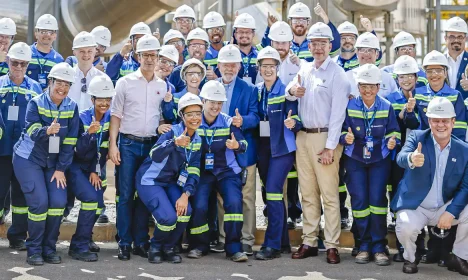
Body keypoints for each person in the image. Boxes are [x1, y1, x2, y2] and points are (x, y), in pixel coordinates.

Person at [286, 22, 350, 264]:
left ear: (330, 45)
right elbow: (288, 92)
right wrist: (293, 91)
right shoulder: (306, 68)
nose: (318, 47)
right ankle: (310, 240)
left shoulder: (338, 74)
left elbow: (338, 115)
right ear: (309, 46)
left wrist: (331, 147)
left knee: (329, 195)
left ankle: (332, 244)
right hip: (303, 137)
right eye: (314, 43)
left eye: (323, 43)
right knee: (308, 193)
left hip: (325, 137)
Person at [393, 96, 468, 276]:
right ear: (429, 121)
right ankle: (411, 257)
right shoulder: (417, 137)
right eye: (436, 120)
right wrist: (411, 158)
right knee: (405, 226)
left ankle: (459, 256)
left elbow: (466, 187)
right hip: (416, 206)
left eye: (445, 121)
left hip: (444, 207)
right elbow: (401, 157)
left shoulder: (463, 150)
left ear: (453, 122)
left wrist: (451, 212)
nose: (440, 125)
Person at [109, 34, 167, 261]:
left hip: (151, 146)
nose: (150, 59)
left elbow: (162, 117)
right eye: (146, 55)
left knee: (144, 195)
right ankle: (124, 242)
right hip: (129, 144)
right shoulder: (125, 82)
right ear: (137, 56)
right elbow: (115, 115)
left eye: (154, 55)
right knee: (124, 195)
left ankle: (141, 242)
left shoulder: (162, 86)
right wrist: (113, 145)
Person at [13, 62, 79, 265]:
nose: (63, 88)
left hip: (53, 163)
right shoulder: (36, 102)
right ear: (50, 82)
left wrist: (60, 169)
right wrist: (46, 131)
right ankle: (34, 250)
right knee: (39, 203)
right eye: (59, 82)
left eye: (67, 84)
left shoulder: (72, 106)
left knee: (58, 202)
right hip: (28, 159)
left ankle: (49, 248)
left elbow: (69, 142)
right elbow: (31, 130)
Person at [340, 64, 400, 266]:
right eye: (363, 86)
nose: (367, 90)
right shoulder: (349, 106)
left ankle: (379, 246)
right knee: (359, 202)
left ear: (378, 86)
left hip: (379, 160)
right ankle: (363, 245)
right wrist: (344, 138)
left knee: (377, 202)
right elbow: (340, 130)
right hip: (355, 158)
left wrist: (393, 140)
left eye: (372, 86)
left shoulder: (386, 106)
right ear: (358, 86)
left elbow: (394, 131)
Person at [136, 92, 202, 264]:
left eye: (197, 113)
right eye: (189, 114)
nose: (194, 118)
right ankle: (155, 247)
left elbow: (194, 169)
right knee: (168, 217)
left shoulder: (198, 139)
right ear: (182, 116)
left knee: (185, 212)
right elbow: (155, 155)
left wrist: (186, 195)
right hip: (149, 181)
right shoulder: (172, 132)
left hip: (170, 182)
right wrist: (174, 143)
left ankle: (169, 247)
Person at [186, 80, 248, 262]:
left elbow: (244, 144)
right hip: (202, 172)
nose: (216, 106)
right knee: (199, 206)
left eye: (219, 103)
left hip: (225, 171)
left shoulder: (229, 122)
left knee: (234, 204)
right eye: (212, 102)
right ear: (203, 101)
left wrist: (237, 145)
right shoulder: (194, 122)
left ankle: (234, 248)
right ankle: (199, 245)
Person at [253, 47, 302, 260]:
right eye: (264, 66)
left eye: (271, 66)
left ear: (277, 68)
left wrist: (294, 123)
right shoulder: (256, 90)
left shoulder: (285, 90)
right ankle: (282, 242)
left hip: (281, 148)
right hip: (263, 148)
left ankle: (271, 245)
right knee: (271, 193)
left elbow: (299, 117)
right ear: (259, 69)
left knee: (273, 191)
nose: (267, 70)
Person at [215, 44, 259, 255]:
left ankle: (247, 239)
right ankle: (224, 238)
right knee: (222, 198)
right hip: (218, 152)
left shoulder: (249, 89)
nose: (229, 68)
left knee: (247, 197)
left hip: (243, 151)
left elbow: (256, 117)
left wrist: (244, 121)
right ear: (218, 65)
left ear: (240, 66)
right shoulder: (211, 87)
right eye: (226, 64)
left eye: (233, 64)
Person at [66, 75, 115, 262]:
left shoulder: (111, 118)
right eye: (101, 99)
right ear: (92, 99)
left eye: (108, 99)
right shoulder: (82, 117)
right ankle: (78, 246)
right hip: (77, 166)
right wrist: (89, 134)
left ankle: (85, 239)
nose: (105, 103)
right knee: (90, 200)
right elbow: (78, 150)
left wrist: (95, 170)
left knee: (99, 204)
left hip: (94, 168)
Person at [0, 42, 42, 250]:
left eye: (23, 64)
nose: (18, 67)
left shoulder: (35, 88)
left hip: (24, 153)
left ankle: (17, 236)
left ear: (28, 65)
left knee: (21, 196)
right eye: (15, 62)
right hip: (1, 150)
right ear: (8, 62)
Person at [385, 55, 426, 262]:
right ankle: (403, 247)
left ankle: (420, 244)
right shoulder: (391, 99)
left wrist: (411, 112)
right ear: (396, 78)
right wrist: (404, 114)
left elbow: (419, 126)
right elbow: (394, 127)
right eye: (402, 76)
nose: (406, 80)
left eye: (409, 76)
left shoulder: (423, 96)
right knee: (397, 194)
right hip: (397, 156)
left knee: (417, 196)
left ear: (416, 77)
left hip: (418, 156)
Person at [415, 50, 467, 140]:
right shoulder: (417, 94)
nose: (434, 74)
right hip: (424, 145)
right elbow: (414, 125)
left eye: (438, 70)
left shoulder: (455, 96)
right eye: (430, 71)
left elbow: (460, 127)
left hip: (449, 145)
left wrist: (455, 149)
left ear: (445, 73)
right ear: (425, 74)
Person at [347, 32, 397, 98]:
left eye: (370, 50)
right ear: (357, 53)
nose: (366, 54)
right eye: (362, 50)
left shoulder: (387, 79)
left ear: (377, 54)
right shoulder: (347, 77)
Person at [67, 31, 106, 111]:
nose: (86, 55)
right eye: (82, 51)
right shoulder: (66, 77)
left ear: (95, 51)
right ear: (74, 52)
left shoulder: (104, 79)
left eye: (90, 51)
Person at [162, 58, 205, 124]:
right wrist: (167, 103)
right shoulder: (175, 97)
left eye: (198, 74)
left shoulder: (205, 98)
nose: (194, 77)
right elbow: (170, 118)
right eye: (190, 74)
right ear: (184, 76)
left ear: (202, 76)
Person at [27, 14, 64, 89]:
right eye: (43, 31)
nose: (47, 35)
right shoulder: (26, 53)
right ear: (36, 33)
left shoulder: (59, 60)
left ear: (55, 36)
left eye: (51, 32)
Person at [169, 28, 209, 92]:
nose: (197, 49)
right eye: (193, 46)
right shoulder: (177, 73)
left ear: (206, 48)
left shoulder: (211, 72)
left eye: (201, 46)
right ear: (187, 48)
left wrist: (214, 79)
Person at [444, 16, 468, 99]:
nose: (456, 40)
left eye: (460, 37)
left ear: (466, 38)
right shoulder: (439, 61)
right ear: (445, 38)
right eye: (452, 36)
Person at [203, 11, 228, 81]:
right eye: (211, 30)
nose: (215, 32)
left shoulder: (229, 48)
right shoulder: (204, 53)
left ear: (223, 31)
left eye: (218, 29)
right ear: (206, 32)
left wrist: (216, 79)